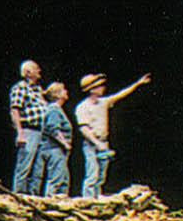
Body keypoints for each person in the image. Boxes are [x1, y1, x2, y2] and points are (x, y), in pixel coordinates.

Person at [75, 71, 148, 199]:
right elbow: (84, 128)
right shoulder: (83, 107)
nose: (103, 88)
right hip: (92, 144)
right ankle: (88, 200)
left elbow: (120, 95)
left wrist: (138, 84)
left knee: (101, 175)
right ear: (91, 90)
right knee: (92, 174)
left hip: (103, 142)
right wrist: (97, 143)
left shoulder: (103, 102)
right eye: (99, 86)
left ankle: (96, 198)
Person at [31, 81, 76, 197]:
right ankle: (51, 203)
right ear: (57, 94)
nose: (66, 92)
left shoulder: (56, 109)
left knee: (63, 179)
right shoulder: (54, 110)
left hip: (57, 149)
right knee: (57, 178)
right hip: (54, 148)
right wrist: (65, 143)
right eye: (63, 90)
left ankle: (60, 204)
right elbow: (53, 129)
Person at [8, 60, 45, 195]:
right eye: (36, 68)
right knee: (25, 165)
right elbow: (15, 110)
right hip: (29, 130)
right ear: (28, 72)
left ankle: (33, 196)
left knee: (38, 167)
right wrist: (20, 133)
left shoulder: (38, 89)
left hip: (41, 131)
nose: (39, 71)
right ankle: (19, 195)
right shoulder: (20, 87)